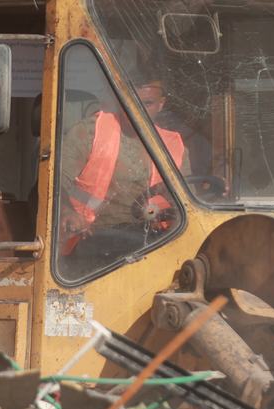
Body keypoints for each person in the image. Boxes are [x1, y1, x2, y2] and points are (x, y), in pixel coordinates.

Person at [58, 79, 191, 272]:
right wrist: (67, 212)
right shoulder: (90, 132)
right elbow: (54, 183)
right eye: (132, 101)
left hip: (156, 244)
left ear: (161, 104)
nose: (138, 110)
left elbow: (187, 203)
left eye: (148, 104)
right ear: (121, 100)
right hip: (93, 240)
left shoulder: (175, 146)